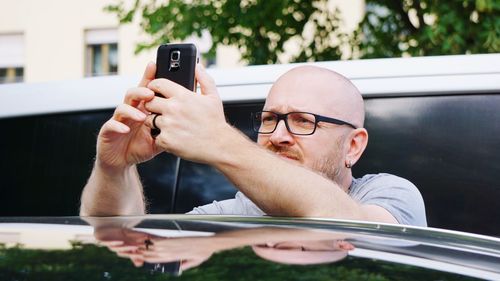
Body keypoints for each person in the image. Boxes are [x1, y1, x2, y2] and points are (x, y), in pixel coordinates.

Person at [80, 62, 427, 227]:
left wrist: (216, 138)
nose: (277, 136)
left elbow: (355, 231)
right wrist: (114, 168)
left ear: (353, 146)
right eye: (269, 119)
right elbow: (123, 247)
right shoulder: (229, 215)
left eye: (304, 121)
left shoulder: (388, 196)